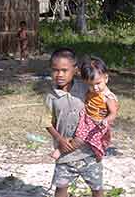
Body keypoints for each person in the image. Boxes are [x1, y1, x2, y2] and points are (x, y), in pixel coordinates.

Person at [44, 48, 108, 197]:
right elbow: (46, 122)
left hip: (89, 152)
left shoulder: (86, 88)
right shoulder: (51, 97)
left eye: (64, 70)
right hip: (64, 152)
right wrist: (59, 139)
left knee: (97, 188)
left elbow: (102, 91)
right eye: (55, 70)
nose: (59, 74)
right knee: (60, 188)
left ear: (76, 70)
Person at [51, 56, 118, 161]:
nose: (95, 88)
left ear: (106, 78)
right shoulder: (91, 90)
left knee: (80, 139)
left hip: (96, 123)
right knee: (75, 133)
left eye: (98, 83)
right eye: (91, 85)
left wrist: (105, 121)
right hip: (85, 118)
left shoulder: (108, 97)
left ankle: (61, 150)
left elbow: (113, 113)